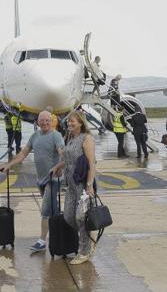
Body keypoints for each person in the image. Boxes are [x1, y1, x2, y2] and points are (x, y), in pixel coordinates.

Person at [0, 111, 64, 252]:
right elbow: (23, 154)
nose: (45, 123)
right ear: (37, 122)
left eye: (47, 120)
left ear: (51, 121)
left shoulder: (56, 136)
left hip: (53, 179)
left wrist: (59, 166)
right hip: (40, 179)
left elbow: (62, 153)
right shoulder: (35, 136)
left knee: (46, 210)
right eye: (42, 120)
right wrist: (8, 165)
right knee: (53, 209)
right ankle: (60, 233)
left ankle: (42, 241)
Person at [50, 111, 97, 265]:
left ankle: (84, 251)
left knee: (81, 217)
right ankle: (88, 237)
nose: (69, 124)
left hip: (83, 184)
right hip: (70, 184)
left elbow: (91, 164)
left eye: (73, 122)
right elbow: (68, 159)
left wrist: (89, 185)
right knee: (69, 216)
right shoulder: (70, 137)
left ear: (81, 123)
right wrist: (58, 165)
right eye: (69, 122)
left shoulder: (86, 138)